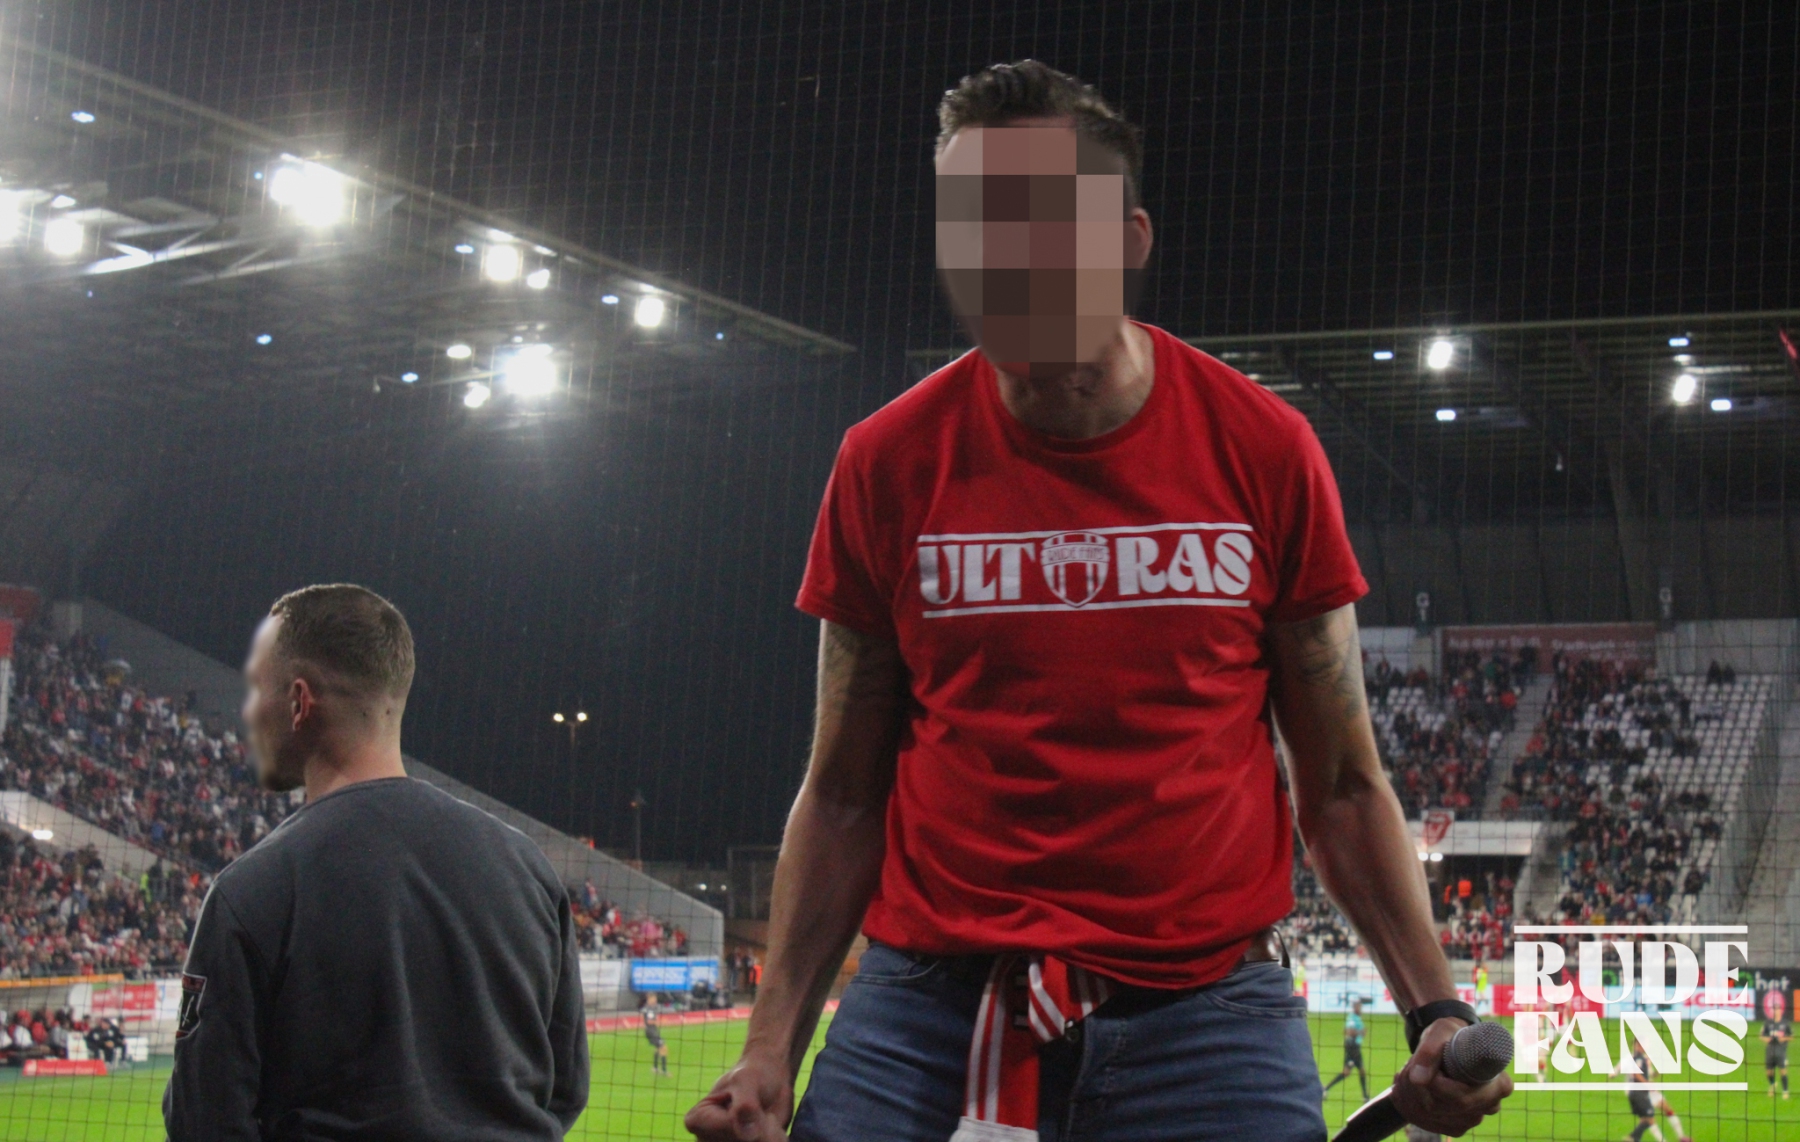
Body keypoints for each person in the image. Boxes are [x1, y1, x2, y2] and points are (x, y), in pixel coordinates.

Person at [688, 60, 1509, 1142]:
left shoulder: (1265, 450)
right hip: (929, 1007)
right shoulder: (885, 463)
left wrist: (1435, 1007)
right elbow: (842, 793)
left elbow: (1345, 786)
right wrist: (768, 1050)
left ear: (1128, 240)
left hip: (1207, 1017)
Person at [163, 584, 588, 1140]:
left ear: (298, 702)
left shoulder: (254, 890)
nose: (248, 711)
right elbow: (564, 1089)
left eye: (256, 689)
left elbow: (204, 1121)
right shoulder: (527, 869)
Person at [1321, 998, 1370, 1102]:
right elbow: (1348, 1032)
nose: (1361, 1009)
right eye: (1359, 1007)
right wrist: (1361, 1032)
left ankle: (1365, 1096)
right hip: (1352, 1047)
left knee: (1353, 1072)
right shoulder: (1352, 1018)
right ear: (1355, 1007)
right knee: (1353, 1071)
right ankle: (1365, 1097)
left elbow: (1345, 1031)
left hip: (1354, 1046)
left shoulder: (1356, 1018)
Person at [1764, 1010, 1792, 1099]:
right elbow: (1762, 1035)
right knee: (1769, 1072)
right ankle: (1773, 1085)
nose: (1776, 1012)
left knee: (1782, 1071)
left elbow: (1791, 1036)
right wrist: (1766, 1039)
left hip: (1781, 1051)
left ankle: (1785, 1091)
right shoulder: (1768, 1023)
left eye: (1778, 1010)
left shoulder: (1785, 1023)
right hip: (1770, 1051)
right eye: (1774, 1010)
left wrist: (1783, 1039)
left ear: (1781, 1011)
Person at [644, 994, 671, 1076]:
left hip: (652, 1031)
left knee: (658, 1048)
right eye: (653, 999)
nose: (655, 1000)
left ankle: (655, 1068)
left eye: (655, 999)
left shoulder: (650, 1008)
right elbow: (649, 1021)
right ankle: (664, 1071)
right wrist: (661, 1022)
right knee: (664, 1048)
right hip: (651, 1032)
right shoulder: (649, 1010)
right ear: (649, 999)